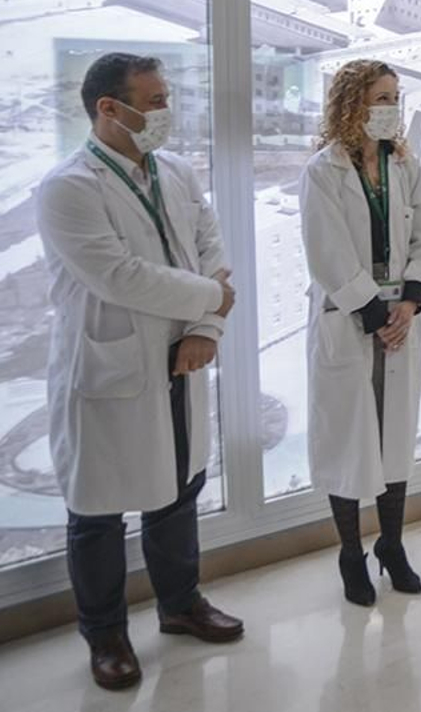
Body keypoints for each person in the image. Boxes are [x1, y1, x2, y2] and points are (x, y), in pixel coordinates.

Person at [36, 53, 245, 690]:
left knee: (179, 492)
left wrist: (207, 328)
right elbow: (118, 277)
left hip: (182, 356)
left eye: (165, 98)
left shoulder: (175, 171)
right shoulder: (68, 187)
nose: (165, 112)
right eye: (153, 101)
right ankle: (105, 636)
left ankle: (181, 605)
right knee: (97, 513)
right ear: (108, 107)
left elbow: (213, 250)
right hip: (108, 368)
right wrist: (210, 302)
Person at [301, 60, 421, 606]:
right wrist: (376, 313)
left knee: (394, 441)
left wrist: (411, 298)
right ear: (353, 104)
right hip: (350, 318)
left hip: (399, 318)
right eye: (382, 98)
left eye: (396, 98)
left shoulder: (403, 163)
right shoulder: (323, 171)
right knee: (349, 444)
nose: (392, 109)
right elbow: (327, 251)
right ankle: (350, 553)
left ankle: (392, 545)